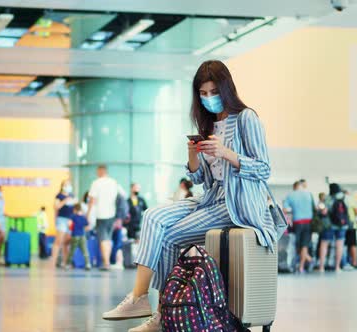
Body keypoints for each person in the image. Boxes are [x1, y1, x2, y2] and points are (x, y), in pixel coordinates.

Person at [102, 60, 278, 331]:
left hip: (236, 204)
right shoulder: (208, 124)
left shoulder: (246, 118)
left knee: (170, 237)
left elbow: (264, 169)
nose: (209, 99)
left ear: (226, 89)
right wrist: (193, 155)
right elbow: (198, 179)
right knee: (153, 216)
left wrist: (227, 153)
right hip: (210, 197)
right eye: (203, 93)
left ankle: (162, 315)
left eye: (213, 92)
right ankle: (139, 299)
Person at [87, 165, 122, 271]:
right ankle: (107, 261)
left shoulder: (96, 183)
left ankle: (106, 262)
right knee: (108, 239)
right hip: (112, 214)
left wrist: (88, 214)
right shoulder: (114, 182)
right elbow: (121, 197)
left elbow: (92, 200)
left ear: (100, 171)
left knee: (103, 239)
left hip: (101, 214)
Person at [283, 180, 315, 273]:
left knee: (298, 245)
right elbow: (315, 208)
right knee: (304, 245)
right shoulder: (309, 194)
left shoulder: (290, 195)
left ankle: (308, 261)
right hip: (309, 222)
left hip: (297, 222)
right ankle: (303, 266)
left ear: (294, 187)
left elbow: (284, 209)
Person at [318, 183, 348, 273]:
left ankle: (321, 267)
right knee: (340, 245)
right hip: (342, 225)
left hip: (329, 225)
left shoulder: (328, 198)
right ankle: (337, 267)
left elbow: (324, 212)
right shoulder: (344, 198)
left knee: (324, 244)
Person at [52, 180, 75, 268]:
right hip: (61, 219)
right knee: (58, 240)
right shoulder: (59, 196)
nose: (68, 186)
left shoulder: (72, 196)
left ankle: (66, 262)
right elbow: (56, 207)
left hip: (70, 220)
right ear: (62, 186)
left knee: (67, 242)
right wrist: (65, 200)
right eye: (66, 185)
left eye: (69, 184)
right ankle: (53, 261)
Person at [65, 204, 91, 270]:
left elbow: (69, 225)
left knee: (72, 251)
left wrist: (72, 229)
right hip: (82, 235)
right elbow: (88, 227)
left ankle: (68, 264)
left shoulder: (72, 216)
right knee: (85, 251)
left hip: (75, 235)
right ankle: (88, 264)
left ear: (74, 209)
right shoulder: (83, 217)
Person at [343, 189, 357, 268]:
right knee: (352, 244)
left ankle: (344, 262)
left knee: (343, 244)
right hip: (351, 224)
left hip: (342, 224)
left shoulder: (340, 199)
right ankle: (354, 262)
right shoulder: (351, 199)